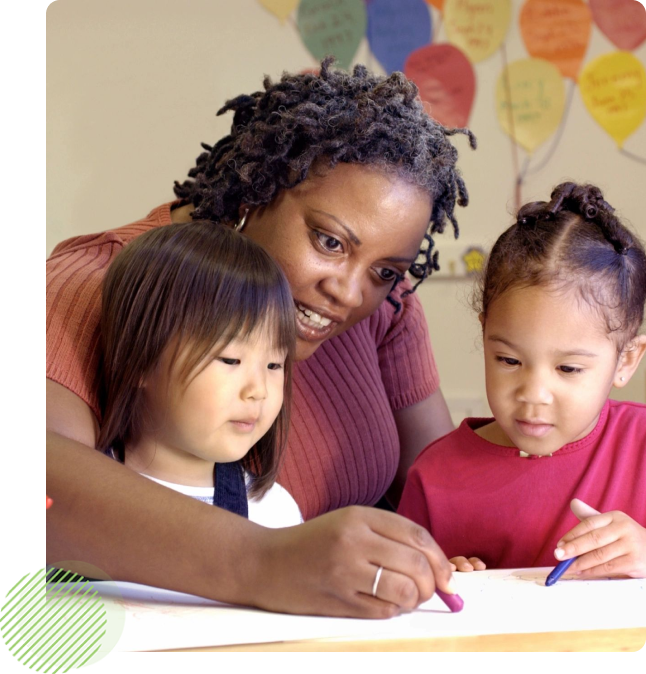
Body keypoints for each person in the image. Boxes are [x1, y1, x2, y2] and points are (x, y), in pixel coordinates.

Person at [47, 58, 474, 617]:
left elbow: (448, 496)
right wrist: (264, 561)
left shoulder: (383, 305)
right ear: (254, 194)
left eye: (385, 270)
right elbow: (48, 485)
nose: (350, 292)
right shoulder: (101, 281)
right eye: (329, 241)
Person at [398, 182, 646, 579]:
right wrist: (437, 580)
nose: (533, 394)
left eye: (567, 369)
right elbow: (407, 606)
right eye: (509, 360)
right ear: (484, 336)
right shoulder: (435, 476)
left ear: (626, 360)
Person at [98, 220, 302, 527]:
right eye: (231, 360)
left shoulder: (274, 517)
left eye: (275, 365)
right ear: (137, 361)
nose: (258, 390)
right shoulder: (73, 492)